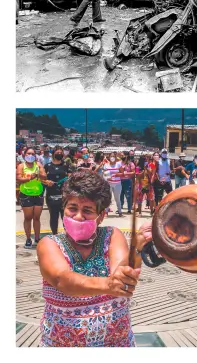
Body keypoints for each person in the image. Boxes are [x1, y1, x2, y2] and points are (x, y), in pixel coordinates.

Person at [37, 170, 151, 346]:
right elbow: (63, 280)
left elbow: (121, 272)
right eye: (72, 208)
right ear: (64, 208)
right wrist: (108, 285)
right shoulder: (49, 244)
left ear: (101, 216)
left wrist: (137, 246)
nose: (78, 216)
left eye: (88, 210)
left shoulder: (112, 234)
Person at [18, 147, 46, 248]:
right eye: (28, 153)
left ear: (35, 156)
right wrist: (30, 177)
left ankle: (37, 238)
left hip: (38, 194)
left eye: (33, 154)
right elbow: (18, 178)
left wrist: (39, 174)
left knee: (37, 218)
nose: (30, 155)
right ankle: (28, 238)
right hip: (26, 195)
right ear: (24, 155)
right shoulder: (21, 166)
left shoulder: (38, 165)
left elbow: (44, 176)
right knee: (28, 217)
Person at [43, 146, 70, 235]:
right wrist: (47, 182)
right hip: (51, 195)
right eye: (57, 153)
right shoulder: (47, 166)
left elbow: (71, 177)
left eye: (61, 153)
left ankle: (68, 235)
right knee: (53, 217)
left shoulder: (66, 165)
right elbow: (42, 179)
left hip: (64, 195)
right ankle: (55, 234)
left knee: (65, 217)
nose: (59, 154)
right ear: (53, 154)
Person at [103, 152, 123, 217]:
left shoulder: (118, 164)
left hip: (117, 183)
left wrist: (116, 174)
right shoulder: (106, 165)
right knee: (108, 198)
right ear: (109, 157)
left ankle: (120, 211)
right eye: (111, 156)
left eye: (113, 156)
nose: (112, 157)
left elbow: (122, 173)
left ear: (115, 157)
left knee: (117, 198)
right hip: (108, 183)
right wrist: (108, 178)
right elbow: (104, 174)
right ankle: (106, 212)